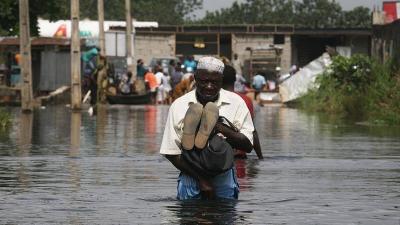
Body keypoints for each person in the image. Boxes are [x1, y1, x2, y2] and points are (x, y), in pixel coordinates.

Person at [160, 56, 255, 200]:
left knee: (218, 144)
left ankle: (211, 129)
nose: (209, 86)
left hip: (221, 172)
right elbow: (171, 152)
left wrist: (219, 127)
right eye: (204, 81)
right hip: (192, 174)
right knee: (222, 215)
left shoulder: (236, 103)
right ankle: (199, 138)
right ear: (195, 78)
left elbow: (248, 145)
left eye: (214, 82)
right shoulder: (179, 105)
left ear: (221, 81)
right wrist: (202, 180)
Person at [222, 65, 263, 159]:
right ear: (235, 79)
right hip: (240, 159)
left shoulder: (212, 99)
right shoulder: (246, 100)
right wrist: (260, 157)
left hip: (217, 157)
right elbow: (252, 131)